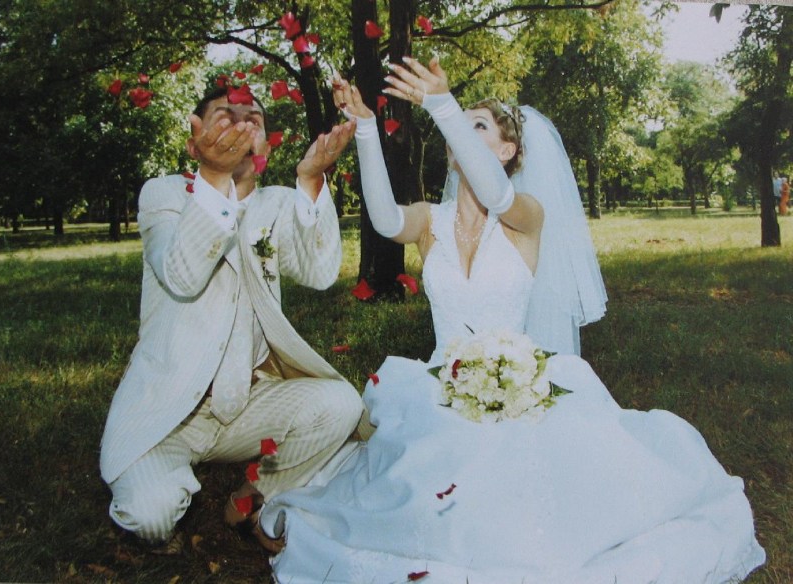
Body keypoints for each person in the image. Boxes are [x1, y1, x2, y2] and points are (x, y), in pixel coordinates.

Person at [258, 57, 766, 583]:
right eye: (459, 127)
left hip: (522, 384)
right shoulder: (431, 220)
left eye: (478, 125)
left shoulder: (525, 215)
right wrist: (366, 129)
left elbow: (496, 194)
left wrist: (441, 105)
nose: (460, 133)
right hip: (439, 386)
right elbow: (385, 219)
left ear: (506, 152)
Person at [99, 86, 364, 548]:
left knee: (341, 404)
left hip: (246, 402)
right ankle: (165, 475)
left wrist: (310, 181)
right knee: (150, 517)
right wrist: (216, 176)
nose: (242, 125)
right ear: (195, 142)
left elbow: (319, 273)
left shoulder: (276, 203)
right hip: (168, 411)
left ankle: (252, 496)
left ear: (265, 146)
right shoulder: (164, 195)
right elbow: (182, 277)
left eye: (253, 118)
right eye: (226, 116)